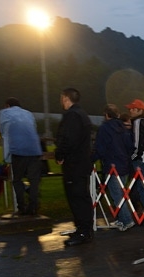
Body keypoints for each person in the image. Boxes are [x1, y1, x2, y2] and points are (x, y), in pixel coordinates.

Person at [55, 88, 94, 246]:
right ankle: (84, 229)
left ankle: (83, 231)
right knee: (82, 197)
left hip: (74, 163)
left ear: (66, 98)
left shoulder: (72, 115)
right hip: (82, 162)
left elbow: (68, 139)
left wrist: (60, 154)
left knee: (77, 198)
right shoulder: (82, 114)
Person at [92, 104, 135, 231]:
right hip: (124, 165)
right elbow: (130, 146)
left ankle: (127, 220)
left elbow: (100, 148)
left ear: (106, 115)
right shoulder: (123, 128)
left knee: (117, 195)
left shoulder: (104, 128)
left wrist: (91, 159)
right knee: (121, 193)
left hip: (111, 165)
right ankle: (121, 219)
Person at [0, 97, 43, 216]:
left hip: (18, 150)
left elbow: (5, 133)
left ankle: (22, 208)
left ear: (7, 105)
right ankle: (33, 207)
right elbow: (33, 129)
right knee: (34, 181)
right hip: (35, 149)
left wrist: (7, 157)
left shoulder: (5, 113)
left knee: (17, 180)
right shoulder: (28, 113)